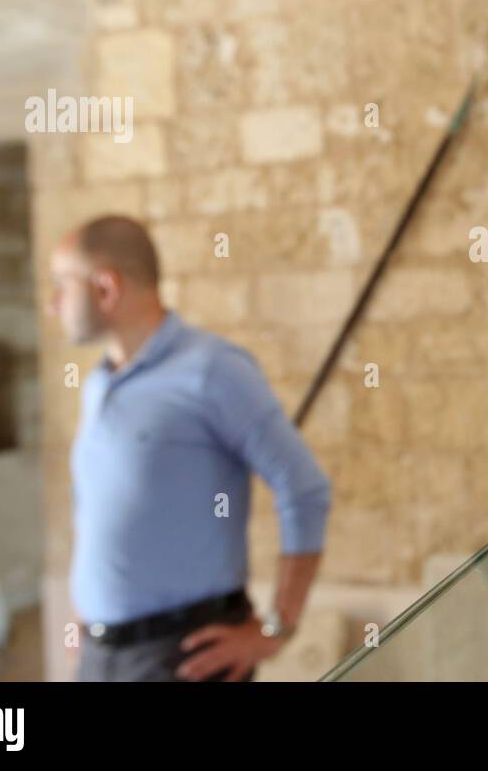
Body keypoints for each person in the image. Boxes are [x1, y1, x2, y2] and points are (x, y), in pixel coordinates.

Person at [48, 214, 331, 681]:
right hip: (102, 656)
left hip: (184, 656)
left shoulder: (214, 371)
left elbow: (304, 488)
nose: (54, 305)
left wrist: (276, 628)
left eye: (62, 285)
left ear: (106, 288)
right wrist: (90, 618)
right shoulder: (98, 383)